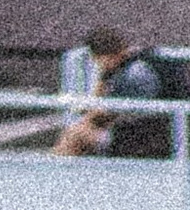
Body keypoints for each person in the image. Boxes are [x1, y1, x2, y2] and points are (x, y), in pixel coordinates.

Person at [54, 30, 181, 159]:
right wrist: (104, 77)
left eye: (98, 62)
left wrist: (102, 77)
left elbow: (100, 114)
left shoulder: (134, 74)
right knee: (80, 131)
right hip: (151, 127)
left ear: (105, 58)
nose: (98, 66)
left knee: (76, 135)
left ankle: (55, 167)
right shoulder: (135, 61)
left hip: (153, 136)